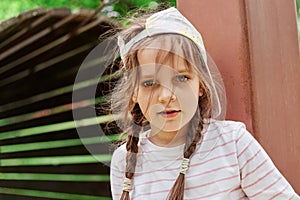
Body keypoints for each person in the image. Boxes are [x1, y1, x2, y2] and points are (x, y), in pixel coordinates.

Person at [109, 7, 300, 200]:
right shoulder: (123, 161)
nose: (166, 96)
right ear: (134, 93)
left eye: (181, 78)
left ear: (200, 85)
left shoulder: (232, 143)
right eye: (150, 83)